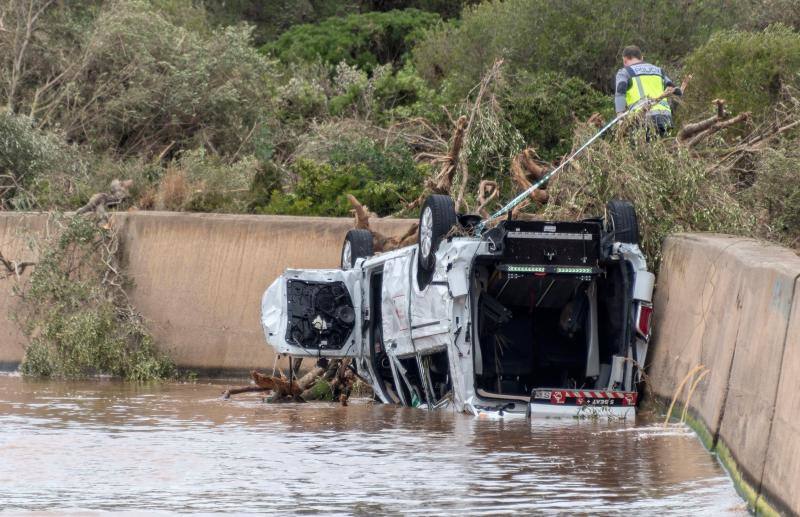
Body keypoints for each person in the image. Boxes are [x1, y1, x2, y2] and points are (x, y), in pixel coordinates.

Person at [614, 45, 681, 139]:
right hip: (665, 118)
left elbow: (620, 93)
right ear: (641, 58)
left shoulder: (624, 72)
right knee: (662, 148)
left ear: (625, 60)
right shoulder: (658, 71)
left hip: (642, 117)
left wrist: (620, 118)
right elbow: (674, 89)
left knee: (640, 150)